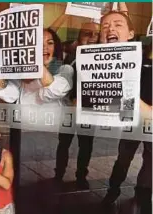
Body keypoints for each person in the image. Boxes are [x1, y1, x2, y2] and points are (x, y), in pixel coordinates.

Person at [100, 12, 152, 208]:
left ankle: (143, 193)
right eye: (105, 26)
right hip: (131, 120)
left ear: (131, 34)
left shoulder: (143, 61)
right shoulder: (98, 62)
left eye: (117, 25)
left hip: (147, 119)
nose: (110, 29)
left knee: (150, 160)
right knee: (123, 158)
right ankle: (113, 191)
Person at [53, 21, 100, 189]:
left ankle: (81, 176)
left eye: (96, 34)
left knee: (86, 145)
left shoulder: (102, 56)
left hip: (88, 111)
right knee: (63, 143)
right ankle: (58, 174)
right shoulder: (70, 55)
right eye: (87, 33)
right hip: (69, 110)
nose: (92, 37)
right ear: (80, 35)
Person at [0, 28, 73, 106]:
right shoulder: (22, 74)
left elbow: (54, 91)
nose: (44, 47)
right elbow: (4, 93)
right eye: (38, 43)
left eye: (50, 43)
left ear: (56, 47)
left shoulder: (65, 69)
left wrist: (35, 60)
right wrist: (1, 66)